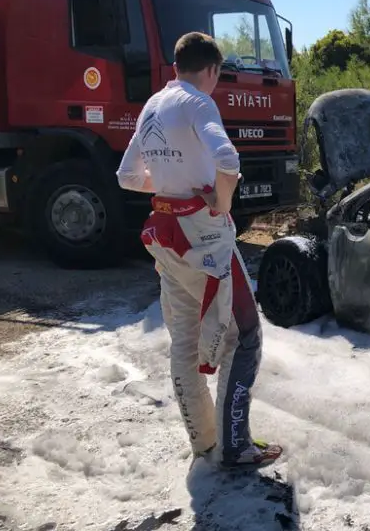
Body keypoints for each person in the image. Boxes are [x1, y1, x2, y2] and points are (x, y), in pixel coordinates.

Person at [115, 31, 282, 470]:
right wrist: (219, 201)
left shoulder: (153, 106)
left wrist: (170, 190)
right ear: (210, 70)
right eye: (217, 76)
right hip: (206, 238)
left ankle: (204, 443)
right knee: (246, 337)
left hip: (166, 239)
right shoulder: (197, 103)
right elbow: (229, 160)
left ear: (175, 67)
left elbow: (127, 176)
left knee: (184, 344)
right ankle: (234, 447)